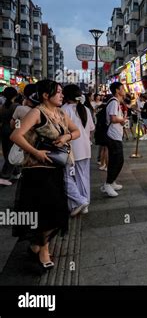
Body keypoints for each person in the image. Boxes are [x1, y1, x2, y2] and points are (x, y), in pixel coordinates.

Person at [10, 79, 80, 270]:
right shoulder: (36, 112)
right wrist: (36, 152)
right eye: (58, 92)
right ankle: (43, 251)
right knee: (46, 213)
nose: (62, 95)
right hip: (37, 171)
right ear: (45, 95)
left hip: (56, 170)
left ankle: (36, 246)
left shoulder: (60, 113)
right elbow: (16, 135)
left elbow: (76, 132)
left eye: (61, 92)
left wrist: (66, 136)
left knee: (57, 211)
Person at [62, 84, 95, 216]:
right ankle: (85, 203)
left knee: (69, 177)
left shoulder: (64, 110)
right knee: (84, 177)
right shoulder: (85, 109)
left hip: (72, 149)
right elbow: (91, 129)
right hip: (85, 147)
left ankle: (78, 202)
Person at [102, 82, 126, 197]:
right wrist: (122, 120)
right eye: (122, 88)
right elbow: (113, 118)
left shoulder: (115, 102)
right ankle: (107, 184)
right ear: (117, 90)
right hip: (112, 135)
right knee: (117, 160)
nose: (124, 90)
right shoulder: (114, 102)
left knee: (116, 160)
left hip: (116, 135)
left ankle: (111, 182)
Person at [0, 87, 19, 180]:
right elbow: (17, 121)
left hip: (3, 130)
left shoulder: (3, 106)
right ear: (15, 95)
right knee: (12, 152)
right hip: (12, 131)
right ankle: (5, 173)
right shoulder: (16, 106)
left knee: (6, 151)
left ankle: (15, 171)